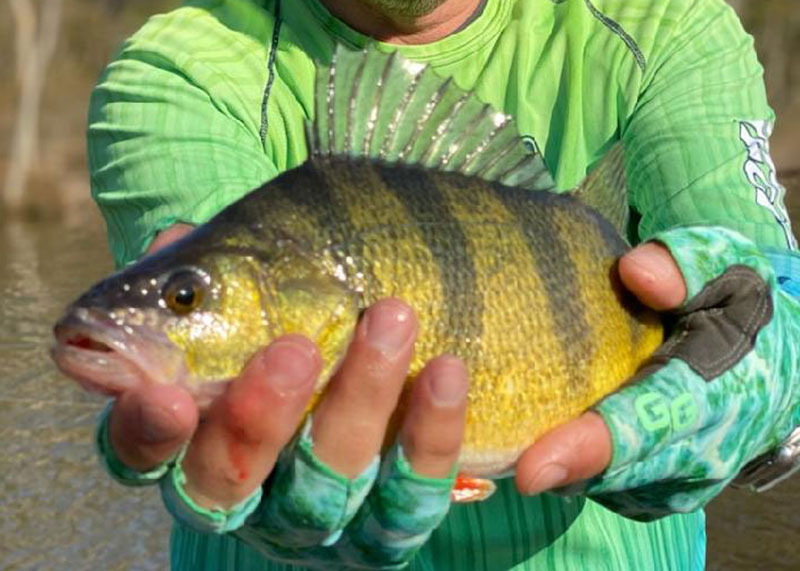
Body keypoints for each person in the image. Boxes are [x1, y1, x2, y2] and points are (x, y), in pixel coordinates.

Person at [84, 0, 800, 569]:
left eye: (185, 298)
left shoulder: (665, 23)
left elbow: (777, 303)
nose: (181, 304)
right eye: (187, 299)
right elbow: (193, 258)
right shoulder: (185, 66)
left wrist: (751, 383)